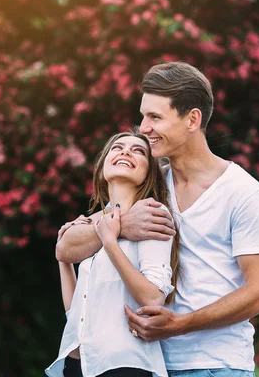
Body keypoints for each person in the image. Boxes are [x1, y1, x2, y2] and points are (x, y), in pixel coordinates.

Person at [56, 61, 259, 377]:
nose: (143, 127)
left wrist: (179, 325)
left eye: (155, 117)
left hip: (214, 366)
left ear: (192, 119)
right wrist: (124, 226)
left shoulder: (241, 191)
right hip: (151, 364)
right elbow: (69, 247)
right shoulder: (151, 183)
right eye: (143, 115)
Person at [46, 131, 180, 377]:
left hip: (124, 364)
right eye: (117, 148)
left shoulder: (152, 214)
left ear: (149, 173)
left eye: (138, 150)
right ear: (101, 168)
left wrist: (110, 242)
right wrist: (63, 260)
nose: (126, 151)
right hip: (78, 363)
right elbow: (77, 310)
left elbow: (152, 299)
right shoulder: (93, 224)